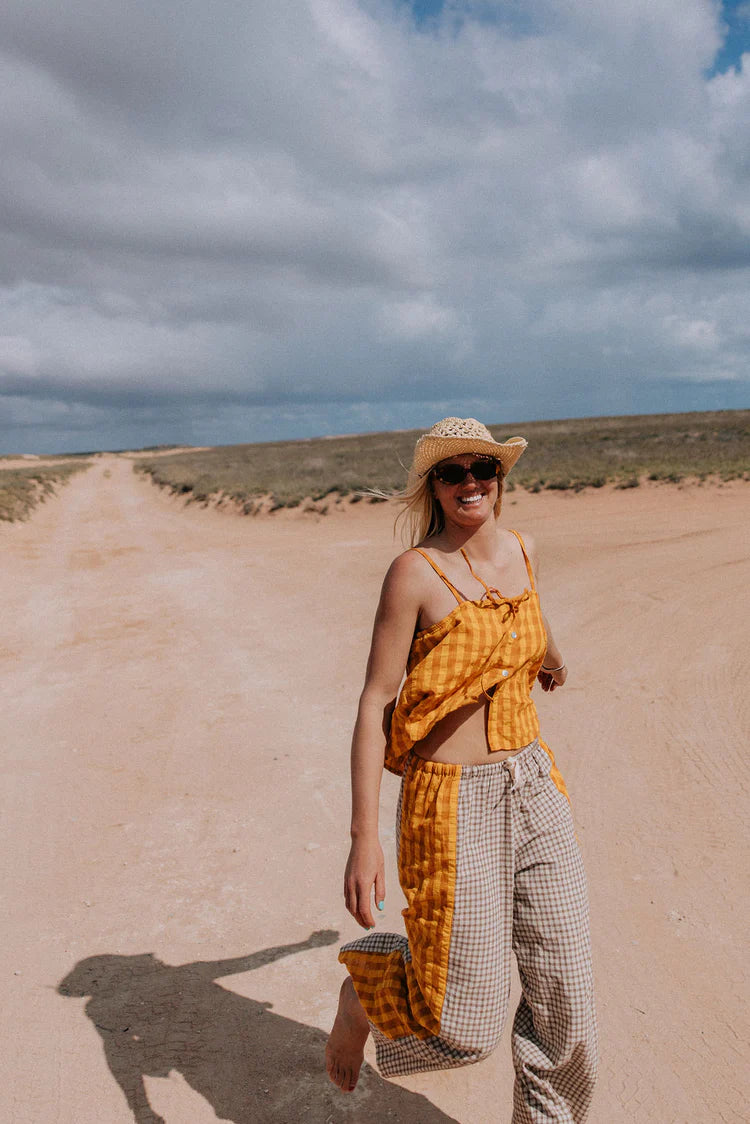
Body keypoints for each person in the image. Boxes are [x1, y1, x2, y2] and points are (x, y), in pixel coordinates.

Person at [325, 417, 597, 1121]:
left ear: (500, 478)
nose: (470, 482)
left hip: (534, 786)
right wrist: (363, 837)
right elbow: (373, 703)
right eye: (453, 473)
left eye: (483, 468)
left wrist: (553, 658)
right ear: (435, 488)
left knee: (566, 998)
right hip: (449, 807)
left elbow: (525, 614)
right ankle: (367, 990)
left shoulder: (525, 551)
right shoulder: (417, 572)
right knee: (465, 1029)